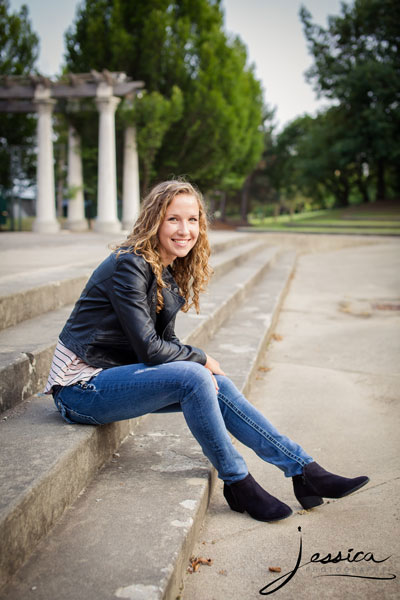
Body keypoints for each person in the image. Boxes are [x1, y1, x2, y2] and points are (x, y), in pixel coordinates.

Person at [45, 179, 369, 522]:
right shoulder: (130, 264)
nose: (185, 230)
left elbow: (162, 343)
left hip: (112, 376)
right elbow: (152, 351)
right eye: (173, 219)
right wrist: (201, 357)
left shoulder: (164, 267)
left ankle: (303, 470)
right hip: (79, 389)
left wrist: (200, 363)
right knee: (197, 374)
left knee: (218, 385)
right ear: (154, 220)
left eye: (193, 220)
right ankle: (238, 481)